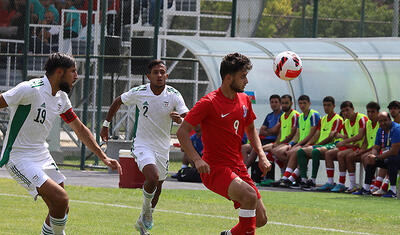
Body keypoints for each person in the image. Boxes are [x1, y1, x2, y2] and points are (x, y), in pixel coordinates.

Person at [0, 53, 121, 235]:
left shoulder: (61, 98)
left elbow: (79, 129)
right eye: (73, 71)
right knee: (61, 199)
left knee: (62, 208)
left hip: (41, 154)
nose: (76, 76)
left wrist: (103, 156)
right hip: (18, 158)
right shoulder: (30, 89)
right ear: (59, 72)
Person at [177, 53, 271, 235]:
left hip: (238, 167)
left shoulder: (244, 100)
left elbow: (251, 129)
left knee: (261, 219)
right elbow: (182, 132)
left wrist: (261, 155)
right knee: (249, 196)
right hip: (215, 169)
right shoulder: (208, 102)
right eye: (242, 76)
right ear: (229, 78)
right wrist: (197, 160)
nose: (246, 81)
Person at [100, 60, 188, 234]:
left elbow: (187, 116)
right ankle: (146, 211)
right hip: (142, 144)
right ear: (149, 77)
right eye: (155, 73)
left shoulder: (173, 94)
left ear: (167, 76)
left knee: (159, 186)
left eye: (162, 72)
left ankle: (143, 222)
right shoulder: (140, 92)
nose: (159, 75)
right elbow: (118, 101)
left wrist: (181, 121)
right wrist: (105, 125)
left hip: (163, 147)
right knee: (153, 177)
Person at [317, 101, 368, 193]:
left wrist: (344, 141)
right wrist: (342, 140)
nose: (345, 113)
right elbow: (346, 137)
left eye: (347, 110)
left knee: (341, 154)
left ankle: (345, 184)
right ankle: (330, 182)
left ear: (353, 109)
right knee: (328, 153)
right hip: (352, 146)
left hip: (361, 147)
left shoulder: (361, 118)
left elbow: (360, 136)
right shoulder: (346, 122)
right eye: (343, 111)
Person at [296, 96, 343, 190]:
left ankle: (313, 180)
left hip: (333, 144)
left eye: (329, 105)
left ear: (333, 106)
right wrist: (310, 144)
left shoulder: (337, 119)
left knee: (316, 151)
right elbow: (316, 135)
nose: (326, 107)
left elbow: (331, 137)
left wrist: (317, 145)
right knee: (301, 151)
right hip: (322, 145)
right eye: (324, 105)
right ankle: (304, 179)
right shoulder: (323, 119)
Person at [276, 95, 320, 188]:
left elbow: (312, 134)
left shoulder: (313, 115)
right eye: (300, 103)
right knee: (280, 152)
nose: (302, 105)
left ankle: (288, 178)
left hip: (311, 144)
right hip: (302, 144)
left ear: (309, 103)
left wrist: (299, 145)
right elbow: (297, 134)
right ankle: (291, 177)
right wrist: (291, 144)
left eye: (304, 103)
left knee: (295, 152)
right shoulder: (300, 117)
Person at [354, 111, 400, 198]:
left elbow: (394, 151)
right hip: (390, 158)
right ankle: (366, 189)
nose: (383, 123)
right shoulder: (380, 130)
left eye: (385, 120)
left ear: (390, 120)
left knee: (392, 159)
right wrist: (373, 155)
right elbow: (376, 147)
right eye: (380, 121)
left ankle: (393, 191)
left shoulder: (397, 129)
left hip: (396, 158)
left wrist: (377, 157)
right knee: (370, 160)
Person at [244, 94, 282, 185]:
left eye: (276, 102)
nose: (274, 104)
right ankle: (243, 169)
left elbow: (276, 130)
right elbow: (261, 131)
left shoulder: (283, 115)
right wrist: (270, 131)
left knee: (255, 149)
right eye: (272, 102)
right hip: (264, 140)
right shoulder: (269, 116)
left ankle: (243, 172)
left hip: (274, 141)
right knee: (244, 148)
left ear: (280, 103)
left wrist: (268, 131)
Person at [263, 94, 299, 186]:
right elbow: (280, 133)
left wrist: (282, 143)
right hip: (283, 142)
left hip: (290, 143)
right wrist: (277, 143)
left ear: (291, 103)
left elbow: (293, 133)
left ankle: (291, 172)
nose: (284, 105)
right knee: (262, 150)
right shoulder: (282, 116)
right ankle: (270, 176)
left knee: (276, 151)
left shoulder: (295, 115)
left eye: (286, 103)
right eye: (283, 103)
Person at [346, 102, 380, 194]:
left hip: (379, 150)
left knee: (365, 157)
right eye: (368, 112)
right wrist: (361, 150)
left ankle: (371, 186)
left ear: (377, 112)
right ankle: (352, 184)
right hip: (370, 150)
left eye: (372, 112)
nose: (370, 114)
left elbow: (379, 144)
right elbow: (365, 141)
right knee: (349, 156)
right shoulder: (368, 123)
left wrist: (363, 152)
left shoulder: (380, 123)